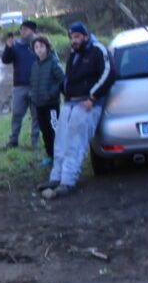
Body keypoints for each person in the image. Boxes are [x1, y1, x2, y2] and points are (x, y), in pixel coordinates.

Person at [40, 22, 114, 199]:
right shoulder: (74, 54)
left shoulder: (97, 51)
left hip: (87, 104)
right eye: (72, 37)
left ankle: (68, 181)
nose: (74, 40)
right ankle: (56, 178)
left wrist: (92, 98)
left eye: (77, 37)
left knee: (75, 144)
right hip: (69, 103)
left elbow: (108, 74)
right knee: (61, 142)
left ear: (85, 36)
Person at [1, 20, 40, 149]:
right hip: (19, 86)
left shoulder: (39, 45)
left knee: (36, 116)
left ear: (33, 30)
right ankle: (13, 140)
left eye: (25, 29)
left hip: (36, 86)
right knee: (17, 114)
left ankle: (35, 142)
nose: (22, 31)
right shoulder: (16, 45)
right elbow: (5, 60)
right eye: (21, 29)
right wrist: (8, 47)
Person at [28, 35, 66, 168]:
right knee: (44, 131)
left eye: (41, 46)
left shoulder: (53, 63)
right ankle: (50, 155)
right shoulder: (35, 65)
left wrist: (52, 94)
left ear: (47, 47)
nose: (39, 50)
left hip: (51, 105)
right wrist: (32, 95)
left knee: (54, 130)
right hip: (39, 105)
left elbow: (62, 80)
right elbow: (32, 83)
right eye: (36, 47)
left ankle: (59, 156)